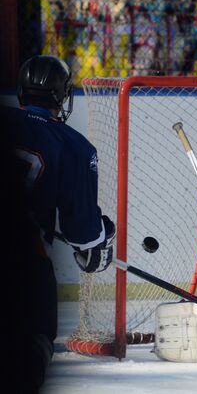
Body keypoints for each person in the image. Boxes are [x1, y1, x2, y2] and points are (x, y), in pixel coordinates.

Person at [3, 55, 115, 392]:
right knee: (33, 340)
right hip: (23, 260)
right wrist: (99, 242)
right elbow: (82, 232)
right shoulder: (73, 145)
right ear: (60, 96)